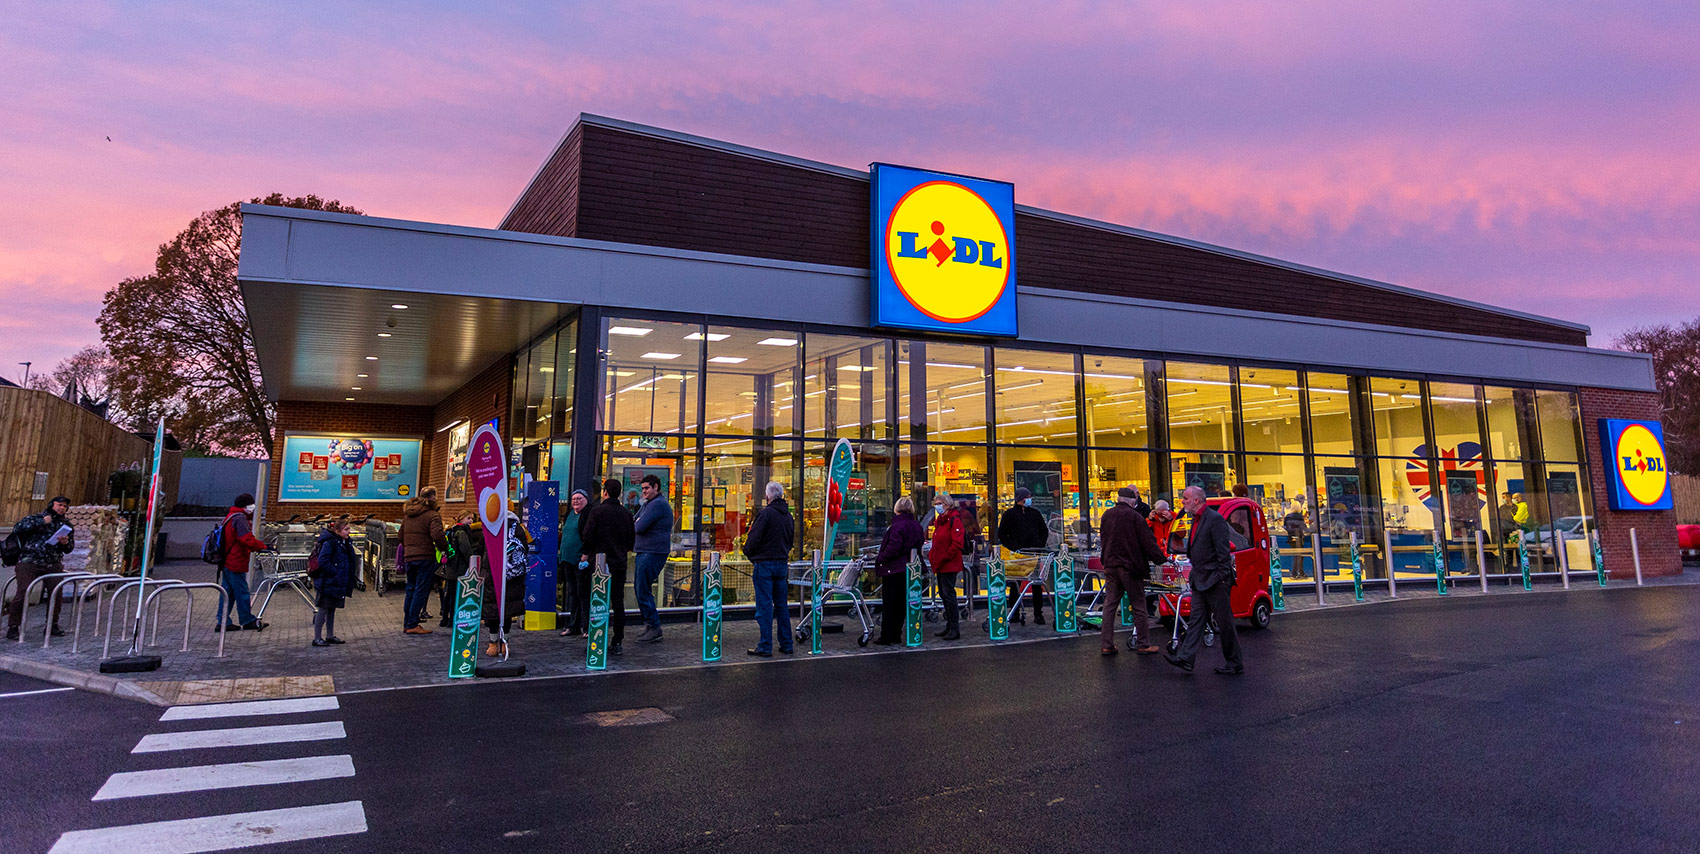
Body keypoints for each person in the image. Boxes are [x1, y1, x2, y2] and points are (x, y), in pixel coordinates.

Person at [1166, 486, 1244, 675]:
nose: (1182, 501)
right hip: (1200, 578)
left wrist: (1222, 578)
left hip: (1215, 580)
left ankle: (1234, 662)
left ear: (1197, 500)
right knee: (1196, 620)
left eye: (1185, 498)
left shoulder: (1214, 520)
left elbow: (1223, 551)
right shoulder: (1196, 519)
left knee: (1224, 622)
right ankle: (1186, 658)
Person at [1098, 486, 1166, 655]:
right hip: (1130, 566)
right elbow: (1148, 542)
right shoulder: (1135, 517)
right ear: (1132, 502)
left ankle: (1107, 644)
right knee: (1138, 605)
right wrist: (1160, 559)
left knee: (1110, 605)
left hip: (1110, 565)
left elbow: (1104, 539)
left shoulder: (1107, 515)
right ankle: (1143, 643)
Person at [4, 496, 75, 640]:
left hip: (52, 562)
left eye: (65, 507)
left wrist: (65, 542)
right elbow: (18, 528)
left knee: (56, 593)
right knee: (23, 592)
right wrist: (41, 522)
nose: (62, 508)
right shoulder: (35, 518)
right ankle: (13, 626)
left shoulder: (66, 525)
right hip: (30, 562)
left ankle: (52, 624)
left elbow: (69, 549)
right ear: (51, 505)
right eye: (59, 505)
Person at [580, 478, 636, 655]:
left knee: (596, 600)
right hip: (618, 562)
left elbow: (587, 536)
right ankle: (617, 640)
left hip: (598, 563)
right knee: (617, 602)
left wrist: (587, 552)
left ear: (605, 492)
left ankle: (596, 638)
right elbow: (631, 541)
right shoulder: (626, 514)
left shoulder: (597, 512)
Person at [742, 481, 795, 656]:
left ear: (768, 496)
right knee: (781, 606)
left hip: (764, 564)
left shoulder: (766, 514)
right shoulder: (788, 516)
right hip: (781, 563)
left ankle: (765, 645)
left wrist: (749, 553)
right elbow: (790, 541)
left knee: (764, 606)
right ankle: (786, 644)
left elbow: (753, 539)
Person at [873, 497, 925, 645]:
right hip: (910, 569)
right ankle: (897, 633)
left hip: (894, 569)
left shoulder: (897, 526)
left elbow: (893, 548)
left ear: (896, 509)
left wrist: (880, 558)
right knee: (902, 604)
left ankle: (887, 635)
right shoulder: (916, 525)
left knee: (890, 604)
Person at [399, 486, 450, 635]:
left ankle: (407, 622)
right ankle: (412, 623)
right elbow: (437, 535)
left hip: (409, 557)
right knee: (420, 590)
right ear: (433, 498)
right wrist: (444, 548)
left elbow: (400, 536)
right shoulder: (432, 515)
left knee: (410, 589)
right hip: (425, 557)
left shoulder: (408, 515)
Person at [215, 493, 268, 632]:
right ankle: (247, 620)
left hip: (227, 560)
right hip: (236, 561)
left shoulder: (230, 517)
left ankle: (222, 621)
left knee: (227, 592)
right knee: (242, 592)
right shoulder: (240, 519)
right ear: (245, 505)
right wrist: (263, 546)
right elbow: (246, 539)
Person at [997, 486, 1050, 625]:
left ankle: (1038, 614)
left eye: (1029, 496)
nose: (1029, 499)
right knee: (1015, 584)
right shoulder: (1009, 514)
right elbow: (1002, 534)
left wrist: (1039, 545)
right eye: (1027, 497)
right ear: (1020, 499)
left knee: (1036, 584)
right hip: (1017, 555)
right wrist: (1013, 546)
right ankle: (1014, 612)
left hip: (1033, 554)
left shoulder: (1035, 514)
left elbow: (1044, 530)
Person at [631, 474, 674, 644]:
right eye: (642, 489)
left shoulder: (658, 505)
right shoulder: (650, 504)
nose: (644, 492)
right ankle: (650, 625)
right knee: (641, 588)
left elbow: (639, 526)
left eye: (647, 488)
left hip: (652, 551)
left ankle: (654, 626)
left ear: (656, 487)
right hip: (646, 551)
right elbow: (635, 521)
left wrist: (637, 523)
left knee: (642, 588)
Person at [309, 516, 357, 647]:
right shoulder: (330, 543)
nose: (349, 532)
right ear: (337, 530)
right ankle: (317, 638)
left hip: (335, 582)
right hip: (327, 582)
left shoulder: (344, 543)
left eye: (349, 529)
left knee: (331, 609)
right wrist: (335, 572)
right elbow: (323, 561)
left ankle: (329, 635)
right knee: (323, 609)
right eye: (346, 529)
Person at [929, 492, 967, 640]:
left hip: (949, 564)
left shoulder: (953, 520)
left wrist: (943, 557)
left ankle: (954, 627)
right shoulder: (941, 521)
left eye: (939, 503)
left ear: (947, 504)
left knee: (949, 594)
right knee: (944, 595)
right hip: (941, 563)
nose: (937, 506)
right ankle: (949, 625)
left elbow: (956, 544)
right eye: (936, 503)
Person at [558, 489, 591, 637]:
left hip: (580, 560)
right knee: (572, 593)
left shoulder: (588, 515)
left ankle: (586, 626)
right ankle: (573, 625)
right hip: (567, 559)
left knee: (582, 593)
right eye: (573, 499)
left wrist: (585, 554)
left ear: (586, 500)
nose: (576, 501)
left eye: (579, 498)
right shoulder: (570, 514)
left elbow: (589, 535)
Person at [438, 511, 478, 627]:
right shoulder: (461, 532)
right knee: (455, 594)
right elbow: (466, 550)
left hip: (450, 566)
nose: (471, 521)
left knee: (448, 593)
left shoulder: (451, 530)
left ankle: (445, 619)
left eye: (472, 519)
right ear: (461, 519)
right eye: (468, 518)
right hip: (459, 567)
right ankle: (452, 619)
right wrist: (471, 563)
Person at [1283, 496, 1309, 580]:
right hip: (1299, 537)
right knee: (1299, 555)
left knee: (1295, 555)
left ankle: (1295, 573)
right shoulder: (1300, 517)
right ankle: (1299, 572)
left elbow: (1285, 527)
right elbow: (1303, 527)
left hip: (1291, 537)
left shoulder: (1287, 516)